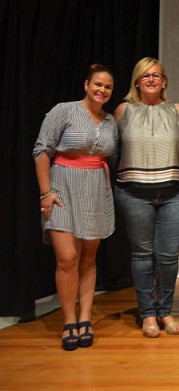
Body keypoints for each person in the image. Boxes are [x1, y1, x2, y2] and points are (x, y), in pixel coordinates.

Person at [33, 64, 117, 350]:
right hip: (62, 190)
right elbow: (42, 149)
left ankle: (85, 318)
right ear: (86, 84)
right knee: (67, 257)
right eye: (98, 84)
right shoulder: (64, 110)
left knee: (88, 257)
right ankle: (68, 320)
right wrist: (46, 192)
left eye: (107, 87)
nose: (102, 90)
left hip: (95, 191)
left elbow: (110, 157)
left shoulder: (109, 122)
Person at [114, 57, 179, 338]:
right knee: (143, 255)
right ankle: (147, 314)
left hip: (172, 192)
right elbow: (112, 150)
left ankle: (165, 311)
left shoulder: (178, 110)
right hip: (134, 193)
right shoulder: (124, 111)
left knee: (168, 256)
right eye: (145, 75)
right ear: (136, 81)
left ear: (165, 81)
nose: (151, 79)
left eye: (156, 75)